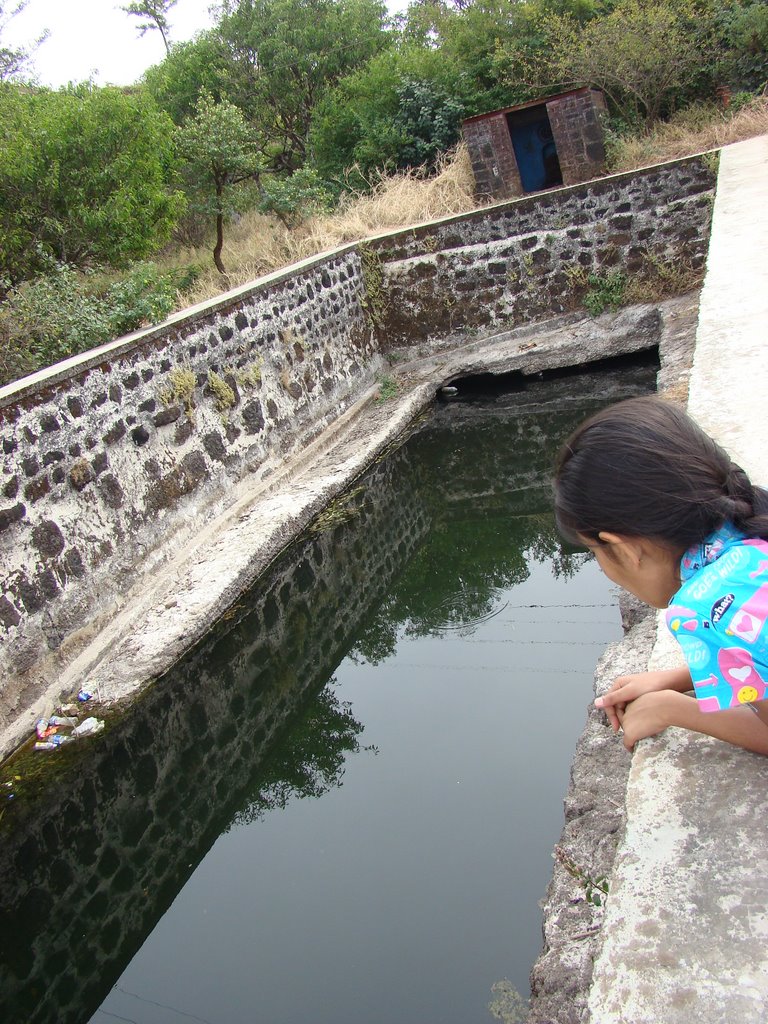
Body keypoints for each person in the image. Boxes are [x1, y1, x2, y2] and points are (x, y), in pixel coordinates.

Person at [554, 395, 768, 755]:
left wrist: (674, 708)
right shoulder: (746, 531)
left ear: (622, 548)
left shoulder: (703, 607)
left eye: (594, 553)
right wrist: (679, 678)